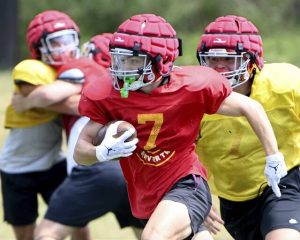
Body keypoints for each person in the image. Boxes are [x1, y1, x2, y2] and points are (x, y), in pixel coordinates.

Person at [73, 13, 286, 240]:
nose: (123, 67)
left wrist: (273, 157)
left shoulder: (192, 86)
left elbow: (250, 107)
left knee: (153, 237)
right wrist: (101, 152)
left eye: (134, 60)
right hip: (147, 194)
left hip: (187, 182)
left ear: (161, 60)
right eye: (120, 59)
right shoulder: (109, 95)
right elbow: (79, 153)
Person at [12, 33, 143, 240]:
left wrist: (26, 101)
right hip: (135, 171)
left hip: (97, 166)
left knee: (47, 234)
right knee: (151, 234)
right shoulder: (135, 86)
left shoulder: (85, 69)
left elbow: (71, 103)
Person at [196, 15, 300, 240]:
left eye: (229, 59)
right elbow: (180, 157)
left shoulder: (286, 83)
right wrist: (196, 197)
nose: (219, 67)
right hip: (233, 200)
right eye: (212, 58)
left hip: (285, 180)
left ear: (252, 61)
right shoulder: (194, 100)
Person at [0, 10, 82, 240]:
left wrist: (28, 102)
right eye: (57, 42)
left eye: (68, 39)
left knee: (77, 221)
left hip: (54, 162)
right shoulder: (32, 69)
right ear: (39, 46)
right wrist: (80, 88)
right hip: (18, 168)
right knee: (26, 234)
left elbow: (67, 103)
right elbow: (72, 104)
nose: (65, 47)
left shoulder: (67, 70)